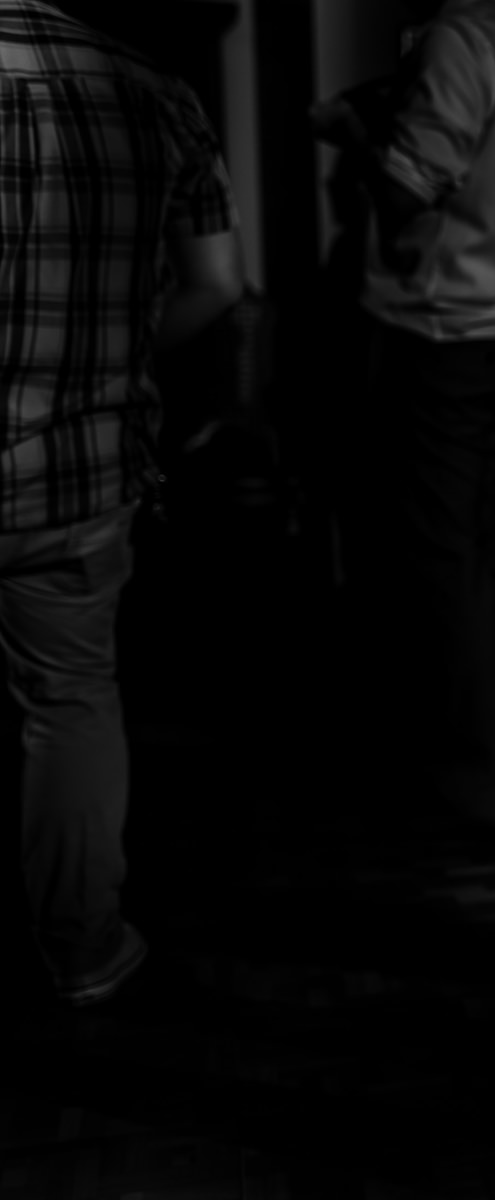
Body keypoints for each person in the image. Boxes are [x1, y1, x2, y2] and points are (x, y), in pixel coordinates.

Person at [0, 0, 244, 1005]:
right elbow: (218, 286)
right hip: (78, 472)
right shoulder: (161, 94)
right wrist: (105, 354)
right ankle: (83, 947)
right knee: (69, 706)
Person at [311, 0, 495, 831]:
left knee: (441, 552)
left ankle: (476, 774)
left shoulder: (463, 37)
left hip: (449, 328)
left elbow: (401, 193)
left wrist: (353, 130)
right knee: (485, 543)